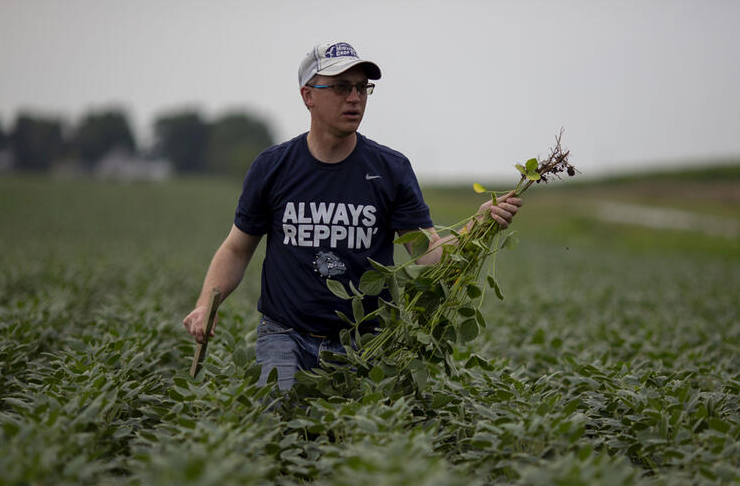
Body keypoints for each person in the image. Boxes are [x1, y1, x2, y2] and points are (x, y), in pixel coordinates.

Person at [182, 41, 522, 390]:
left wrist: (478, 225)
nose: (355, 98)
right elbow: (237, 249)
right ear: (307, 96)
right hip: (284, 336)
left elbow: (428, 253)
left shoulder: (390, 169)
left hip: (367, 341)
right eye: (342, 87)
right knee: (276, 424)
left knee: (359, 438)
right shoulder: (273, 167)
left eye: (362, 88)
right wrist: (205, 304)